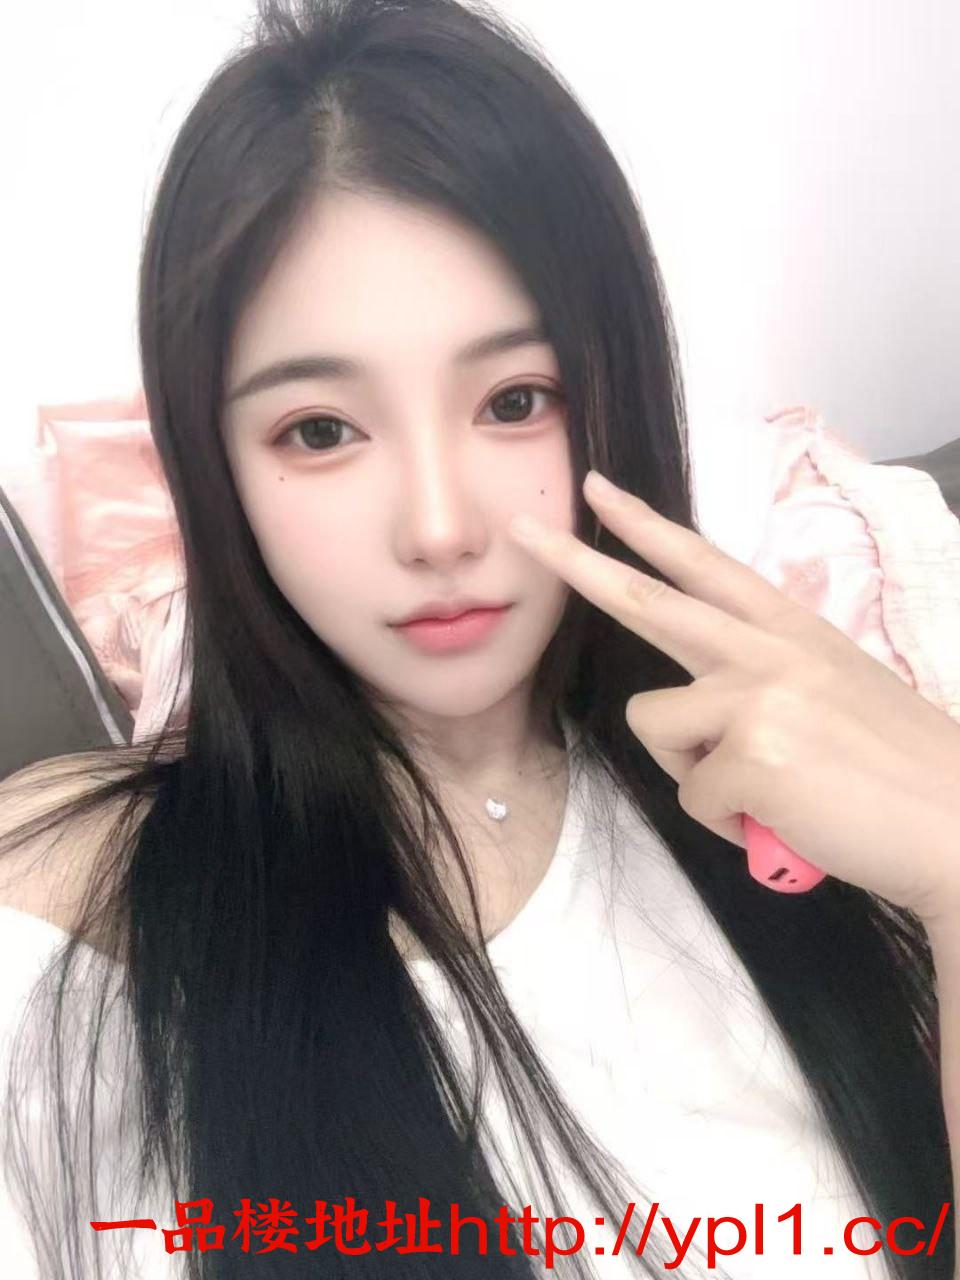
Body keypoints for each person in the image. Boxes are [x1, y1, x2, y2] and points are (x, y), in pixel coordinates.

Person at [0, 1, 955, 1277]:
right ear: (216, 466)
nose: (440, 527)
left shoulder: (794, 797)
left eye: (515, 400)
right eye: (320, 430)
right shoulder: (67, 901)